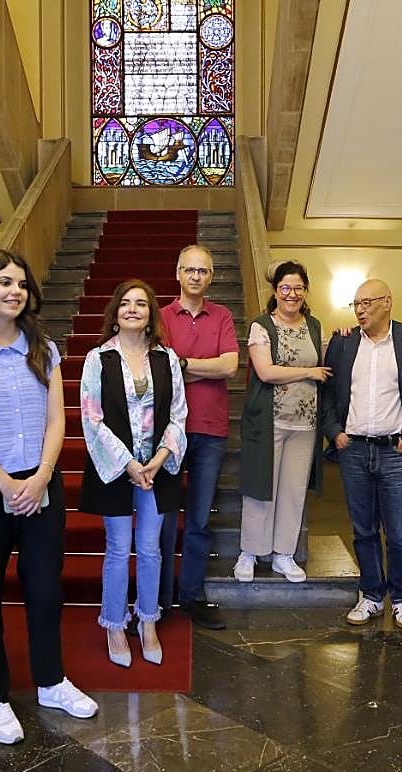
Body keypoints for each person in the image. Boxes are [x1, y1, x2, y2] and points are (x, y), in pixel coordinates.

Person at [0, 249, 97, 744]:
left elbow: (56, 420)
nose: (14, 291)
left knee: (46, 588)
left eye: (22, 284)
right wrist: (7, 485)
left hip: (39, 482)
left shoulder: (42, 348)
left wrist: (43, 475)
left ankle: (51, 681)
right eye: (4, 282)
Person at [321, 278, 402, 629]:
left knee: (401, 534)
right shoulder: (343, 344)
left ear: (387, 302)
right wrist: (335, 434)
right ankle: (371, 595)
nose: (360, 310)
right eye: (355, 304)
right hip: (354, 450)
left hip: (396, 451)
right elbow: (328, 393)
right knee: (363, 529)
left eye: (367, 302)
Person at [80, 280, 187, 667]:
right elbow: (92, 419)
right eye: (125, 303)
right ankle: (113, 623)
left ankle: (147, 622)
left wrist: (158, 460)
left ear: (150, 314)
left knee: (152, 548)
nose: (132, 309)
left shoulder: (167, 359)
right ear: (115, 311)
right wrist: (128, 463)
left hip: (157, 470)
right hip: (117, 468)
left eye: (141, 304)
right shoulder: (98, 359)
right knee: (116, 547)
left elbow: (178, 413)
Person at [157, 245, 239, 631]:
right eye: (189, 269)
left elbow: (230, 366)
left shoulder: (221, 315)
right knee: (163, 517)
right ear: (177, 272)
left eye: (202, 271)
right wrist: (200, 369)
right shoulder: (159, 317)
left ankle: (190, 595)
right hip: (167, 432)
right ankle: (157, 598)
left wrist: (185, 364)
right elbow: (159, 370)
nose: (195, 276)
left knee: (200, 519)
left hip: (209, 428)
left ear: (211, 276)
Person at [236, 261, 331, 583]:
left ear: (306, 292)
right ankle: (250, 552)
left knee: (292, 493)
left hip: (305, 426)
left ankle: (284, 555)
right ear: (276, 291)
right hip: (269, 422)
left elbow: (327, 358)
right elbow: (266, 372)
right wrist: (308, 372)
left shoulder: (315, 326)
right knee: (260, 489)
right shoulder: (262, 326)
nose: (292, 294)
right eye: (285, 288)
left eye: (298, 288)